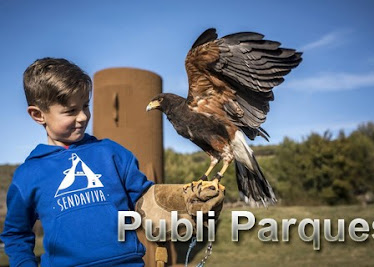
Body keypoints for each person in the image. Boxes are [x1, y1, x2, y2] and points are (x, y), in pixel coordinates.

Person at [0, 58, 224, 267]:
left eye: (86, 106)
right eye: (70, 111)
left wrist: (182, 201)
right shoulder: (28, 175)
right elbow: (16, 234)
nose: (82, 117)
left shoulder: (112, 153)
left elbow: (146, 200)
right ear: (38, 115)